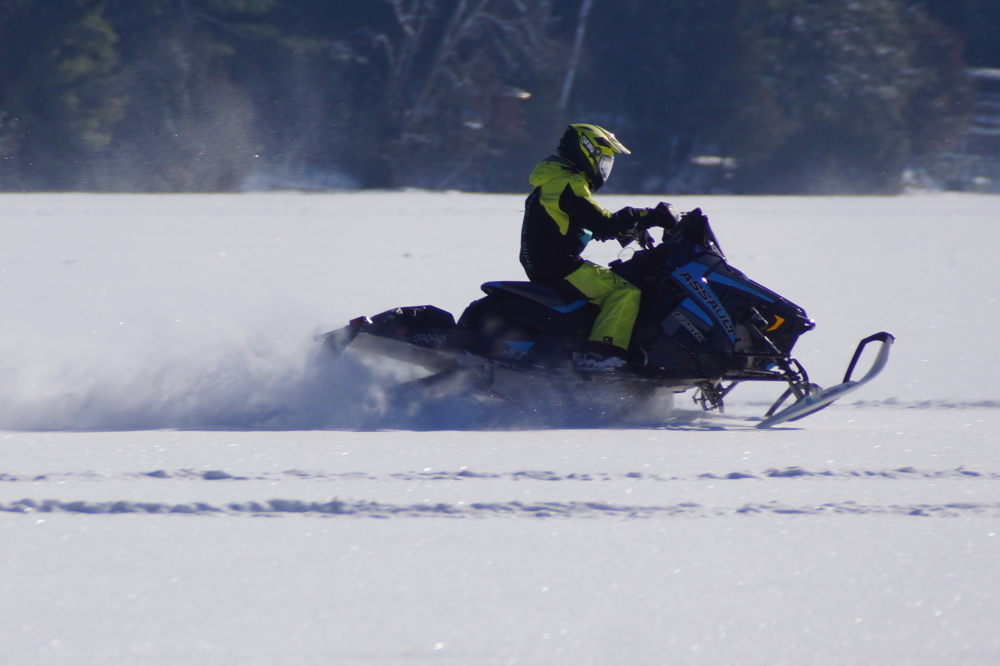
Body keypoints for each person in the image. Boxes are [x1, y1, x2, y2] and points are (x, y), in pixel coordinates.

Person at [519, 123, 671, 371]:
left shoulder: (558, 178)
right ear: (587, 151)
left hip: (549, 262)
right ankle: (601, 356)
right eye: (604, 160)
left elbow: (585, 223)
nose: (604, 168)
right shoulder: (567, 182)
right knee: (624, 293)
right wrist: (646, 215)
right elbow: (602, 223)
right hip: (558, 265)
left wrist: (629, 228)